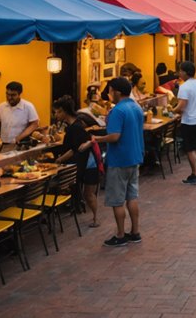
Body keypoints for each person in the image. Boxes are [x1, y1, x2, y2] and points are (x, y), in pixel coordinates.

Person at [91, 78, 143, 247]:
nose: (108, 94)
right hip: (134, 156)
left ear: (117, 92)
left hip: (119, 159)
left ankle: (120, 235)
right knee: (132, 196)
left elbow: (114, 136)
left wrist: (96, 138)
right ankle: (135, 232)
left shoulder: (118, 111)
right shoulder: (136, 107)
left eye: (110, 90)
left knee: (117, 200)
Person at [52, 95, 100, 228]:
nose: (56, 115)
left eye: (57, 112)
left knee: (89, 194)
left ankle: (96, 219)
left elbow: (74, 149)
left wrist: (59, 160)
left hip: (89, 164)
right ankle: (83, 210)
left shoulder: (75, 127)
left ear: (63, 111)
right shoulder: (75, 124)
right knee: (86, 193)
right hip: (83, 162)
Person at [170, 61, 196, 185]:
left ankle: (194, 173)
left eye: (181, 71)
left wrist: (171, 110)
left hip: (189, 121)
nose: (179, 73)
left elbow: (182, 105)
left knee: (191, 149)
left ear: (185, 72)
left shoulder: (184, 87)